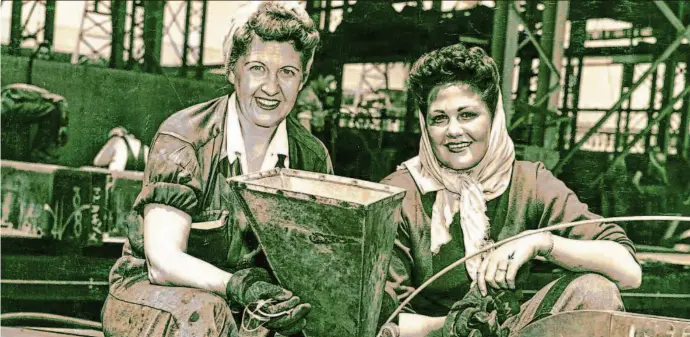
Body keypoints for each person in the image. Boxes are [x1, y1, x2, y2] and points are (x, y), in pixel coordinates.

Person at [101, 2, 333, 336]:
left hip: (246, 308)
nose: (271, 87)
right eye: (257, 68)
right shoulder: (184, 138)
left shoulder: (311, 157)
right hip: (154, 299)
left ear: (303, 78)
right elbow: (163, 262)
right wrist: (240, 286)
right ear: (231, 71)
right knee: (206, 312)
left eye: (287, 72)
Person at [378, 44, 641, 337]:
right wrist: (462, 326)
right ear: (425, 127)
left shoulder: (529, 181)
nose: (453, 131)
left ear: (494, 117)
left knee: (594, 290)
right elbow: (384, 321)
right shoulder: (397, 194)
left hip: (509, 330)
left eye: (467, 115)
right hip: (431, 335)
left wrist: (541, 242)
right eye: (439, 118)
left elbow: (629, 272)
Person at [1, 83, 68, 164]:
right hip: (7, 111)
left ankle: (39, 152)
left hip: (9, 108)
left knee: (51, 110)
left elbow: (59, 100)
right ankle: (39, 152)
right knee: (51, 110)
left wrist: (63, 125)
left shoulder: (16, 91)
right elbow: (60, 101)